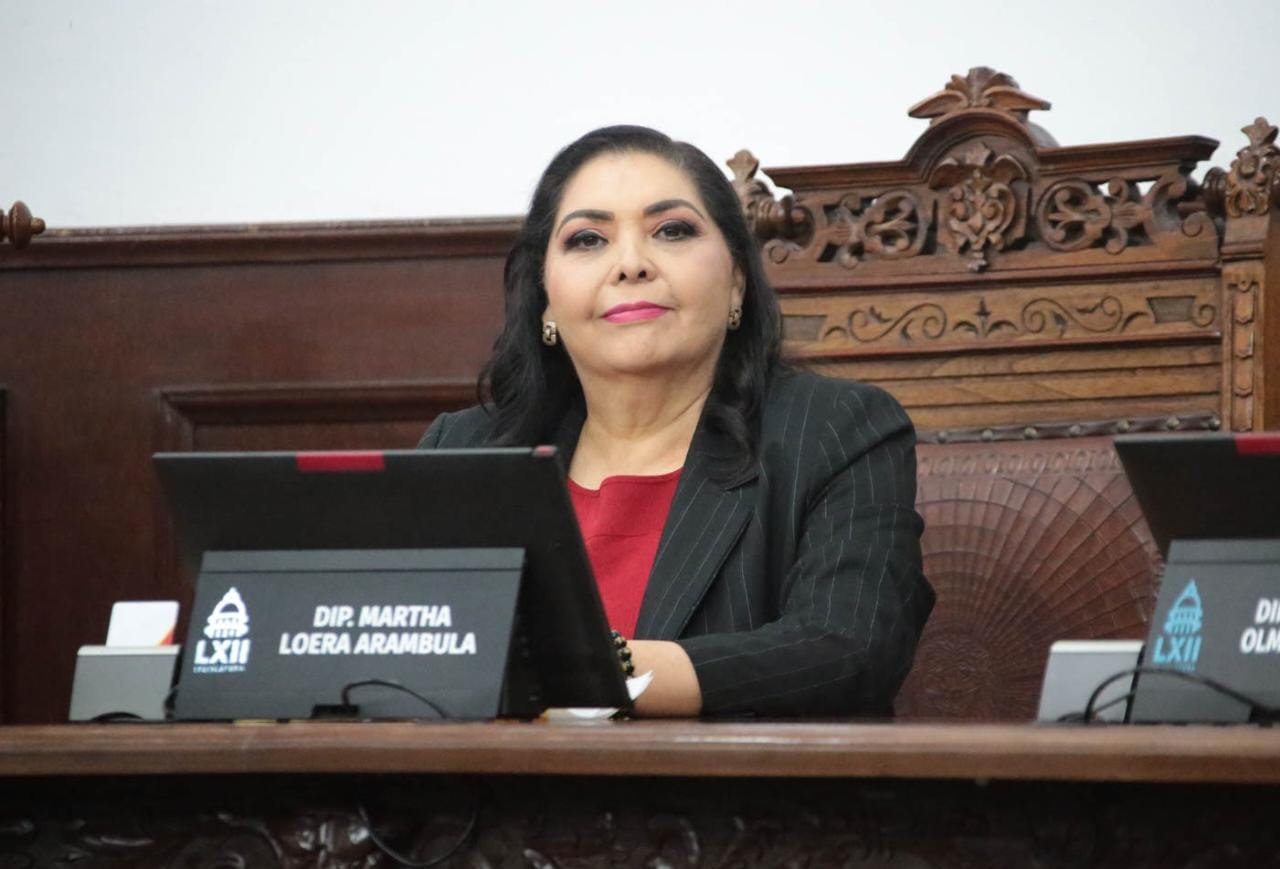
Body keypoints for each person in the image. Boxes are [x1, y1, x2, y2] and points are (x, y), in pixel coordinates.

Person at [420, 126, 933, 718]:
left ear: (737, 279)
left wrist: (581, 674)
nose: (631, 265)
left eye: (672, 231)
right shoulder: (465, 449)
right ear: (544, 298)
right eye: (588, 239)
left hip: (727, 780)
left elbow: (847, 648)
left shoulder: (836, 431)